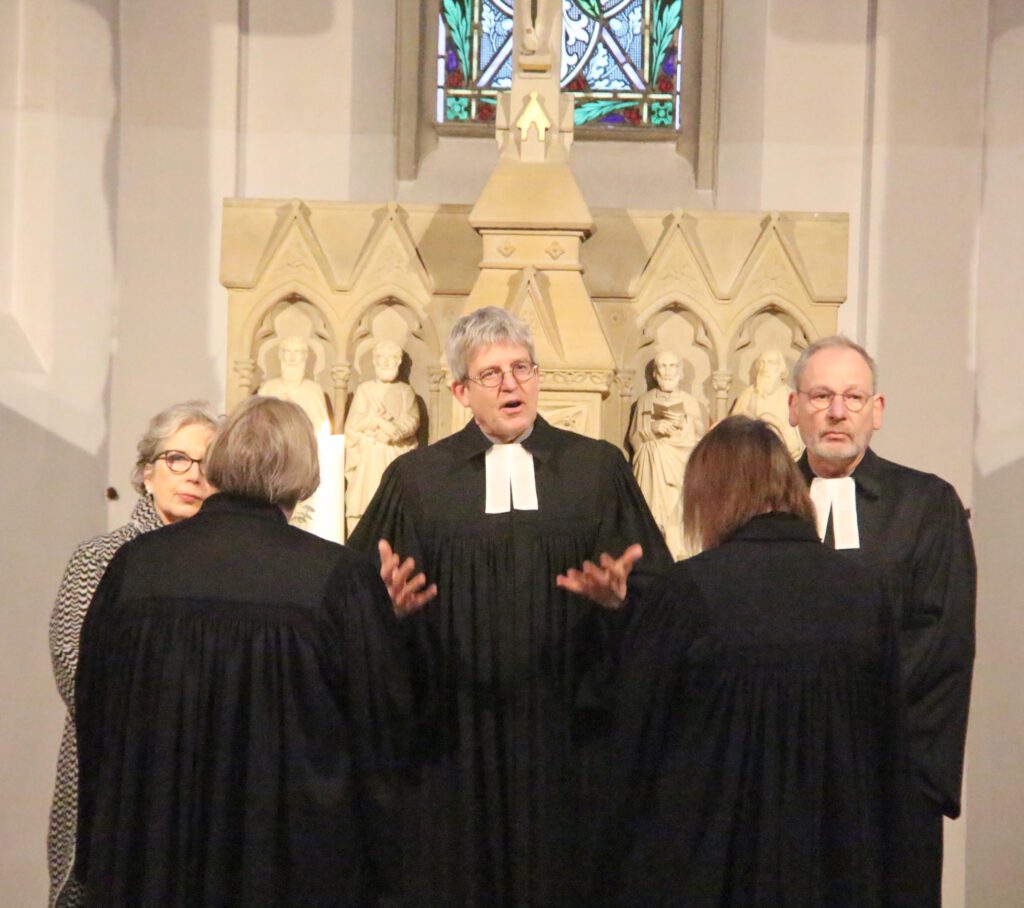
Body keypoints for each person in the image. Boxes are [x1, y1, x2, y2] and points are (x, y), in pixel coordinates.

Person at [348, 307, 671, 907]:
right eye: (491, 374)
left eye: (521, 368)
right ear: (460, 391)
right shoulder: (417, 479)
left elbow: (661, 593)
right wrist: (383, 610)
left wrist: (623, 600)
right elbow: (352, 600)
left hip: (568, 735)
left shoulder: (596, 469)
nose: (511, 384)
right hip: (450, 740)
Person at [74, 397, 410, 907]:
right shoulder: (336, 577)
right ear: (305, 476)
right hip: (284, 862)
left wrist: (100, 852)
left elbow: (94, 713)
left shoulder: (136, 565)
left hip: (150, 854)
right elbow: (380, 736)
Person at [605, 415, 908, 907]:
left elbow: (637, 743)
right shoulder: (863, 592)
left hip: (714, 857)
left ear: (712, 494)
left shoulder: (686, 592)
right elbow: (890, 747)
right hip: (836, 857)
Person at [787, 335, 976, 905]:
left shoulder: (925, 505)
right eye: (821, 396)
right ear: (794, 408)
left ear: (878, 411)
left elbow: (942, 640)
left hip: (890, 776)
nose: (838, 412)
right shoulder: (764, 504)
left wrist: (848, 718)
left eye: (853, 396)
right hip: (787, 771)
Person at [47, 400, 218, 908]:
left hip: (201, 773)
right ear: (148, 473)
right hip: (113, 766)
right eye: (177, 460)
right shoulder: (100, 557)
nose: (192, 476)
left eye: (208, 464)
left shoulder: (220, 565)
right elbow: (72, 665)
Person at [628, 348, 705, 559]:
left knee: (679, 516)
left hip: (681, 467)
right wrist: (654, 429)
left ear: (680, 372)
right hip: (654, 470)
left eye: (672, 366)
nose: (668, 371)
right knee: (656, 449)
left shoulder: (690, 402)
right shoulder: (644, 401)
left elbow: (701, 440)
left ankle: (681, 551)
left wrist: (685, 424)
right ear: (655, 373)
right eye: (663, 366)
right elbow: (635, 439)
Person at [345, 339, 420, 535]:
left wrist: (388, 429)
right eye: (382, 359)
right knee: (362, 502)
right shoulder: (365, 390)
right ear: (375, 361)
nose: (386, 363)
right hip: (368, 460)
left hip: (394, 458)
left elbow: (411, 422)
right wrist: (377, 422)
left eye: (391, 359)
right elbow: (353, 424)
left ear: (398, 362)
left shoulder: (405, 392)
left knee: (394, 509)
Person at [730, 347, 804, 458]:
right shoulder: (747, 394)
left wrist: (774, 425)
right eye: (762, 363)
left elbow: (796, 445)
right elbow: (732, 432)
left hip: (780, 461)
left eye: (771, 363)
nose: (764, 368)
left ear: (781, 369)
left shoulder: (792, 397)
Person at [258, 334, 332, 431]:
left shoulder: (313, 390)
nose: (292, 358)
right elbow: (258, 424)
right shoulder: (267, 389)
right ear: (280, 355)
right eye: (287, 352)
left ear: (304, 356)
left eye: (297, 352)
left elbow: (322, 429)